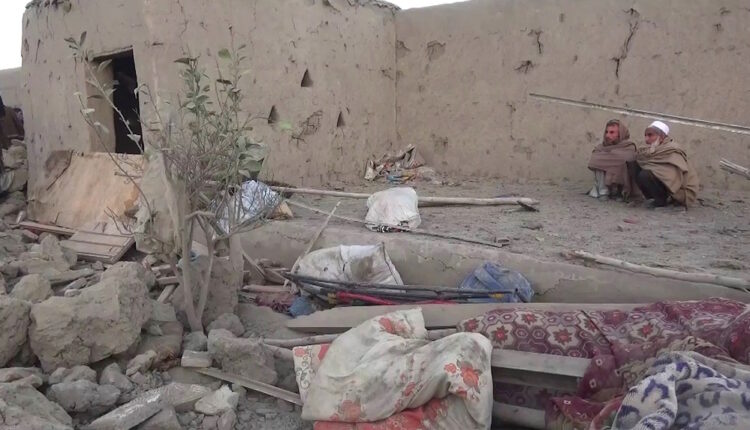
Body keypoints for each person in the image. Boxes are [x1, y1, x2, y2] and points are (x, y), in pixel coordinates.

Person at [626, 121, 699, 208]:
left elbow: (672, 176)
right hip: (661, 183)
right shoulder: (647, 150)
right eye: (645, 135)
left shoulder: (671, 150)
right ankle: (653, 198)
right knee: (634, 165)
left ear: (661, 137)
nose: (646, 139)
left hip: (679, 189)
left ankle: (663, 200)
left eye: (650, 135)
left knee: (645, 175)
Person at [587, 119, 637, 200]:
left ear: (620, 134)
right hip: (602, 187)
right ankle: (603, 191)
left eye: (612, 132)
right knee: (599, 159)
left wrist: (612, 156)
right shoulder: (600, 148)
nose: (607, 135)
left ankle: (619, 192)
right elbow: (594, 160)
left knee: (622, 162)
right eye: (606, 132)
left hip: (620, 187)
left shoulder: (628, 147)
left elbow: (628, 158)